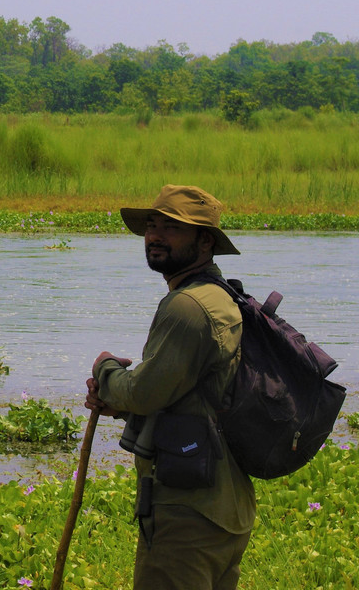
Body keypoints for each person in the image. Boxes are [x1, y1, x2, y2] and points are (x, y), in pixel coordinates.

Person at [84, 184, 255, 590]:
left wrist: (106, 372)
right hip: (223, 505)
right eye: (152, 225)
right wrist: (117, 402)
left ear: (205, 241)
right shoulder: (222, 296)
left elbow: (145, 394)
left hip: (187, 513)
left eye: (173, 228)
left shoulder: (188, 307)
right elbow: (193, 396)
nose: (156, 236)